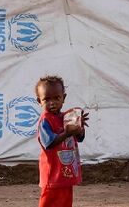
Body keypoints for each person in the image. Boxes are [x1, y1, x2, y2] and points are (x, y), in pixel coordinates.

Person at [36, 76, 89, 207]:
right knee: (49, 201)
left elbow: (79, 138)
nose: (52, 103)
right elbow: (49, 143)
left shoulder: (67, 117)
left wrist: (79, 127)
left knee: (65, 201)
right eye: (47, 99)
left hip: (66, 172)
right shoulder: (45, 120)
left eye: (56, 98)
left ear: (63, 98)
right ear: (39, 101)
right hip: (52, 173)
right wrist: (66, 133)